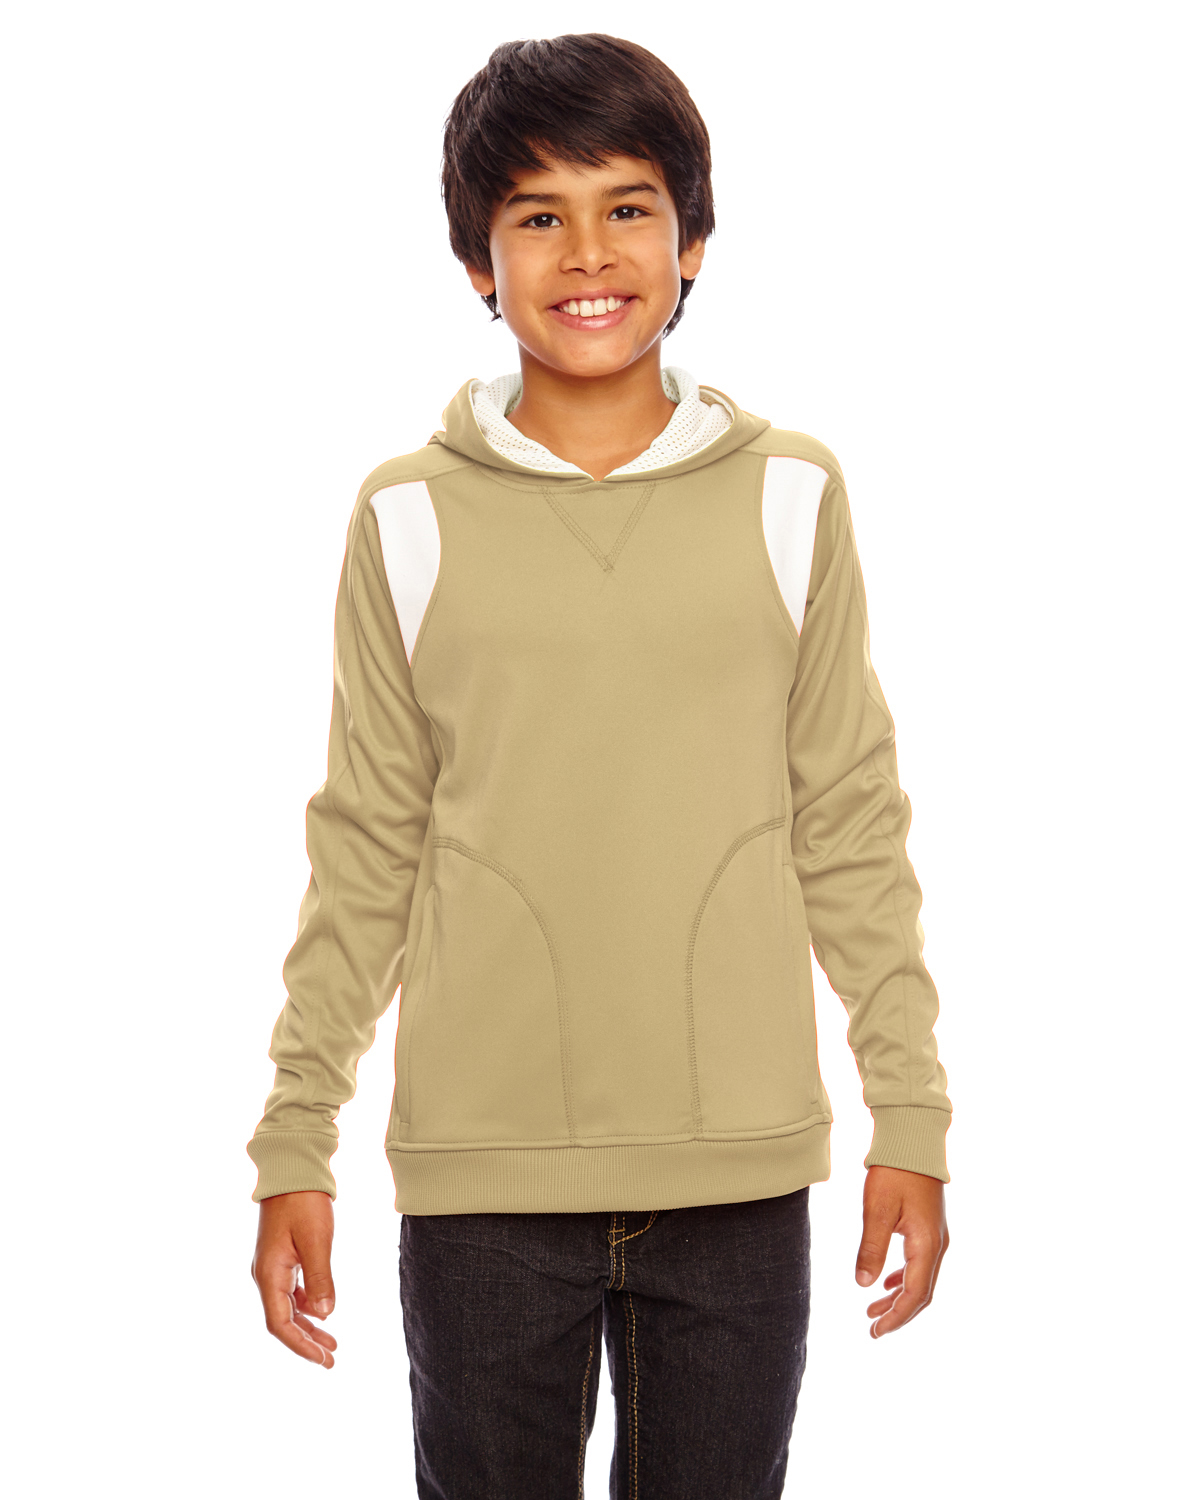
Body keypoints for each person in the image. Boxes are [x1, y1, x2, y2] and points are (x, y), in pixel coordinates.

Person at [248, 32, 951, 1500]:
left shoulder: (792, 495)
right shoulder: (405, 519)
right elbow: (367, 841)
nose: (587, 252)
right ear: (477, 260)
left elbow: (849, 822)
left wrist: (913, 1113)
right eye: (538, 214)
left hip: (740, 1173)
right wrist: (296, 1136)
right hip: (482, 1187)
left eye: (628, 207)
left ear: (692, 242)